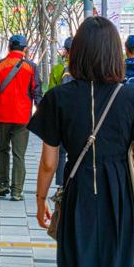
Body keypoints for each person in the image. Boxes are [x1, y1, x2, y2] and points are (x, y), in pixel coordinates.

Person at [30, 17, 134, 267]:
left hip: (78, 199)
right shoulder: (133, 98)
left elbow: (49, 162)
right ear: (115, 54)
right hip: (122, 201)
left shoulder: (58, 97)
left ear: (78, 53)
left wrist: (39, 199)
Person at [0, 35, 42, 201]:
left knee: (2, 149)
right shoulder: (31, 67)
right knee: (19, 154)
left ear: (9, 48)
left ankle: (3, 184)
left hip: (2, 116)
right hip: (22, 118)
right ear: (25, 49)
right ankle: (17, 191)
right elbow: (36, 92)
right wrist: (42, 112)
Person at [48, 37, 74, 187]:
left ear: (65, 50)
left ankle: (61, 184)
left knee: (62, 152)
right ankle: (72, 182)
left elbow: (51, 94)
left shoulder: (58, 69)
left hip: (62, 117)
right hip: (80, 117)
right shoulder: (85, 69)